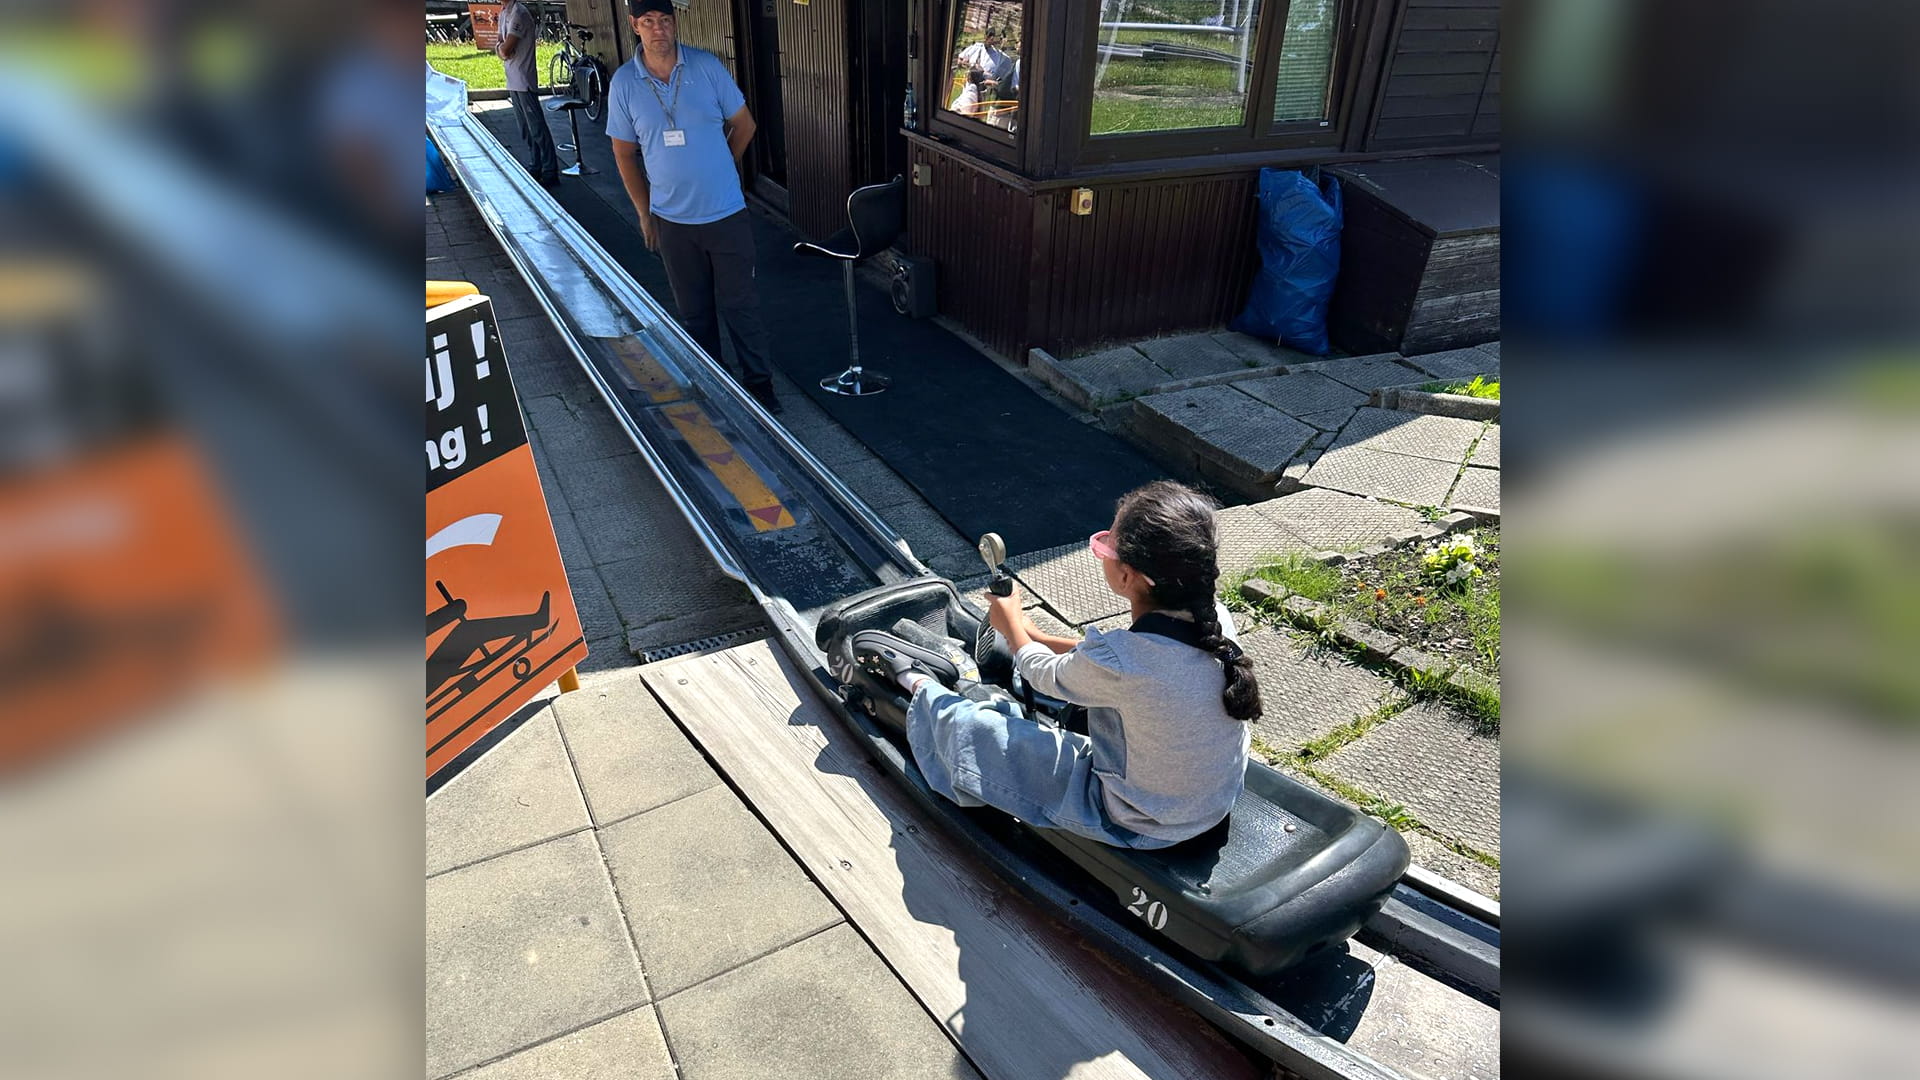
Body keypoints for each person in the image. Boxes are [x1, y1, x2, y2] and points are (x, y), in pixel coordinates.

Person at [852, 481, 1262, 848]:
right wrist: (1040, 637)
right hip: (1209, 802)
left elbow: (1044, 676)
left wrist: (1013, 626)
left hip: (1140, 820)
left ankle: (914, 681)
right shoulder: (1214, 619)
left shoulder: (1122, 659)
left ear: (1129, 576)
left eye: (1105, 544)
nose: (1101, 549)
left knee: (975, 731)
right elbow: (1121, 664)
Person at [605, 0, 780, 414]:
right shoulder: (625, 83)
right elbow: (623, 153)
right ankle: (713, 385)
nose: (659, 29)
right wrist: (644, 212)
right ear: (634, 26)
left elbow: (745, 124)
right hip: (672, 221)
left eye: (665, 20)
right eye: (648, 22)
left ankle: (760, 385)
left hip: (725, 214)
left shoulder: (706, 67)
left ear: (675, 22)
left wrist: (722, 164)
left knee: (741, 306)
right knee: (695, 313)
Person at [496, 0, 557, 186]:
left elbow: (506, 49)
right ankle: (535, 165)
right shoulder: (504, 12)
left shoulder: (519, 13)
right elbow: (499, 43)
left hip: (524, 78)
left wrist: (501, 49)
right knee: (525, 129)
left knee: (537, 128)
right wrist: (501, 49)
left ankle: (550, 170)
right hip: (512, 79)